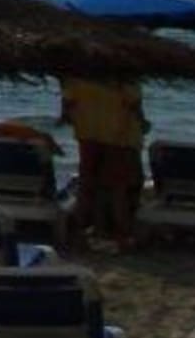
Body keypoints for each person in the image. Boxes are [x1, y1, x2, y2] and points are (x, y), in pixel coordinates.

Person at [59, 76, 146, 249]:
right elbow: (134, 104)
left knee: (87, 184)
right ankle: (121, 233)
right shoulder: (125, 77)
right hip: (119, 137)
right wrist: (142, 123)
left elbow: (67, 105)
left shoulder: (76, 76)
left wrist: (71, 116)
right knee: (118, 187)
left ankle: (83, 229)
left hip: (87, 132)